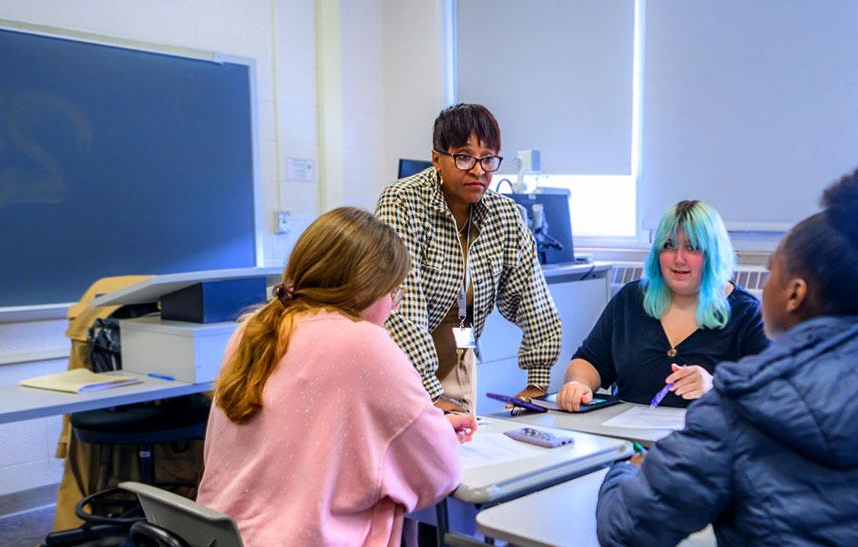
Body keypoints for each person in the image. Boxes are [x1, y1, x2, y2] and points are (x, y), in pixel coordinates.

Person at [595, 166, 858, 546]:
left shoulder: (741, 408)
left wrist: (622, 470)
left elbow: (626, 532)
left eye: (770, 273)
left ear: (794, 293)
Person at [197, 207, 476, 547]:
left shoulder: (251, 331)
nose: (395, 307)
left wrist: (426, 427)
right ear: (364, 288)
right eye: (393, 293)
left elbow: (301, 438)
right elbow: (440, 471)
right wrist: (434, 435)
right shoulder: (363, 343)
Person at [376, 103, 562, 413]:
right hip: (400, 363)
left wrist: (537, 383)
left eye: (488, 158)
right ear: (437, 158)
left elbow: (534, 301)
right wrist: (433, 398)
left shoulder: (506, 216)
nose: (478, 170)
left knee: (465, 453)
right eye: (464, 157)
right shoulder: (402, 203)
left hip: (461, 352)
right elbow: (401, 312)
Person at [557, 200, 768, 411]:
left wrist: (716, 387)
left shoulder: (747, 313)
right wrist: (578, 384)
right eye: (669, 246)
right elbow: (589, 361)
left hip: (707, 439)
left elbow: (770, 397)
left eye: (692, 248)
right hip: (628, 437)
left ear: (713, 255)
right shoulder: (630, 300)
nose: (679, 259)